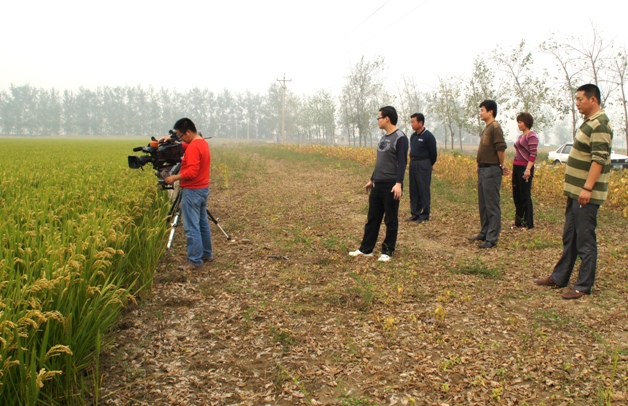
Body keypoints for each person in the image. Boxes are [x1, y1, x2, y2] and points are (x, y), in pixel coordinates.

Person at [535, 84, 613, 300]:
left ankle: (583, 286)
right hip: (575, 193)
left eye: (580, 99)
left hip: (585, 194)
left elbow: (599, 159)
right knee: (570, 236)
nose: (577, 103)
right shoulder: (589, 122)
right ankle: (559, 277)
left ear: (593, 99)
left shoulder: (600, 124)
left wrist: (587, 188)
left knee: (585, 240)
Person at [350, 106, 408, 262]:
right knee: (373, 218)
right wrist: (372, 179)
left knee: (390, 220)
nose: (378, 121)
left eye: (379, 118)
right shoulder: (383, 138)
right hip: (378, 184)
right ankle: (366, 249)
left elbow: (402, 162)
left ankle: (387, 251)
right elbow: (380, 161)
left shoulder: (400, 138)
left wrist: (398, 183)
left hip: (391, 185)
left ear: (387, 118)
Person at [164, 118, 213, 270]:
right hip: (202, 189)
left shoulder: (193, 148)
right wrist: (171, 140)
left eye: (181, 136)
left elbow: (191, 172)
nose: (181, 139)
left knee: (191, 227)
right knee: (202, 224)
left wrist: (174, 177)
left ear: (188, 132)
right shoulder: (201, 142)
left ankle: (194, 260)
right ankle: (206, 254)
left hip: (192, 191)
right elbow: (185, 145)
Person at [468, 100, 508, 249]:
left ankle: (492, 238)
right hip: (483, 169)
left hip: (491, 170)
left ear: (491, 112)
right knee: (483, 204)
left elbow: (500, 148)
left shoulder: (495, 127)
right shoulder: (487, 128)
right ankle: (484, 232)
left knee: (491, 205)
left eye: (482, 110)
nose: (480, 113)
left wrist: (501, 165)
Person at [406, 113, 437, 223]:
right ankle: (415, 213)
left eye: (413, 122)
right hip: (413, 164)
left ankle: (425, 214)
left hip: (423, 164)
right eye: (411, 122)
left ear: (420, 123)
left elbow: (433, 153)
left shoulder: (428, 136)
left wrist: (428, 164)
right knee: (414, 189)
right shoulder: (413, 136)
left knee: (423, 189)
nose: (412, 124)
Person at [511, 112, 539, 230]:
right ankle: (519, 221)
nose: (519, 124)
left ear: (527, 122)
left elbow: (533, 154)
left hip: (525, 167)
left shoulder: (531, 136)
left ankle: (528, 223)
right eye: (518, 122)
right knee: (517, 194)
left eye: (521, 122)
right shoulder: (520, 137)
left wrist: (528, 169)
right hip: (516, 166)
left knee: (525, 195)